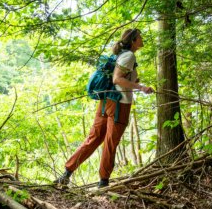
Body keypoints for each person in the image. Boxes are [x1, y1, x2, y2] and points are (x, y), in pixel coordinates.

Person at [54, 28, 154, 188]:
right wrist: (141, 87)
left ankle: (66, 173)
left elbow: (120, 77)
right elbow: (116, 79)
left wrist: (134, 81)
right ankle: (103, 182)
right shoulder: (129, 56)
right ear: (134, 40)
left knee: (93, 138)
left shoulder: (121, 55)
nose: (142, 39)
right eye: (140, 37)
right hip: (119, 104)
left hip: (106, 101)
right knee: (110, 142)